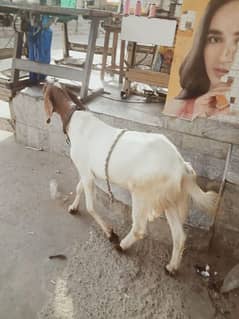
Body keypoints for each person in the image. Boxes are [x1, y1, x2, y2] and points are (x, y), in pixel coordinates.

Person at [163, 0, 239, 120]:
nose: (224, 57)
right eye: (215, 39)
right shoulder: (178, 108)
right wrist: (196, 112)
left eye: (237, 41)